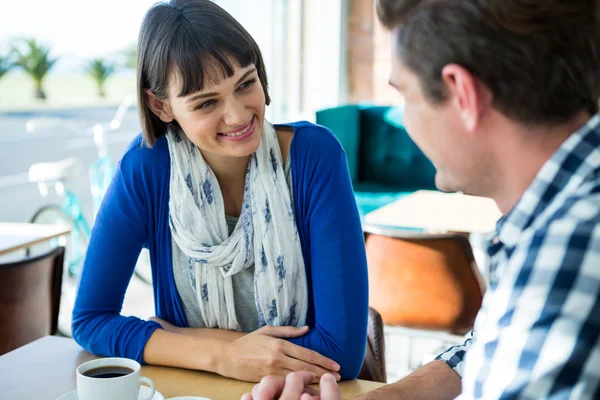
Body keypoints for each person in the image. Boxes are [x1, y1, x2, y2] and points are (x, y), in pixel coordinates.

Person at [246, 0, 600, 398]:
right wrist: (389, 396)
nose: (407, 119)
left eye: (406, 96)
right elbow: (490, 345)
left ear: (461, 93)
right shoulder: (552, 218)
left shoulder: (570, 246)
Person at [71, 0, 369, 383]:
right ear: (161, 106)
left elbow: (340, 353)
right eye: (207, 102)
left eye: (246, 83)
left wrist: (177, 338)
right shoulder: (147, 171)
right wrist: (222, 356)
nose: (239, 115)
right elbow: (90, 320)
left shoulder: (315, 157)